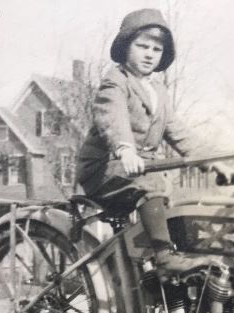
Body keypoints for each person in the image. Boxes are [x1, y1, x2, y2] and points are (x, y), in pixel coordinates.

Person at [76, 8, 211, 276]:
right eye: (142, 46)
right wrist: (125, 148)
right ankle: (164, 256)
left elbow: (178, 132)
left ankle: (168, 271)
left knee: (179, 196)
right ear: (126, 47)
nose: (150, 53)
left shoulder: (158, 90)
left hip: (138, 170)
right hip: (105, 169)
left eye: (157, 49)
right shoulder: (115, 83)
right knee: (152, 184)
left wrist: (213, 160)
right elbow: (113, 119)